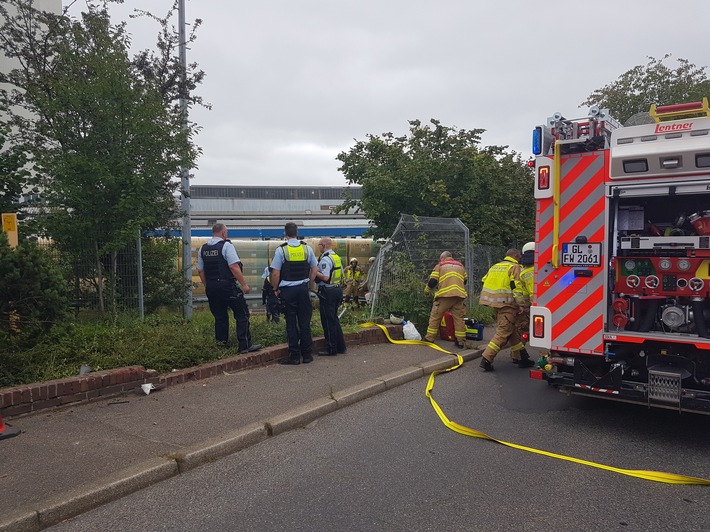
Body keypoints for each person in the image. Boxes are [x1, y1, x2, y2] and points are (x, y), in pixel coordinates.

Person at [197, 223, 261, 352]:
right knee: (242, 314)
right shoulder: (226, 246)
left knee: (220, 317)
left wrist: (207, 285)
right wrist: (244, 284)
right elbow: (234, 267)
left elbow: (200, 271)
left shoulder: (202, 249)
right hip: (227, 286)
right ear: (223, 233)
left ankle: (221, 346)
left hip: (211, 286)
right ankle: (244, 345)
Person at [270, 222, 319, 365]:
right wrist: (309, 285)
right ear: (297, 232)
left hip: (288, 291)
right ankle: (307, 355)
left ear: (285, 233)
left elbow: (275, 273)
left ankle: (294, 356)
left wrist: (275, 289)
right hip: (303, 290)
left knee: (291, 323)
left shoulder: (281, 250)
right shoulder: (306, 249)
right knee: (305, 322)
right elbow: (314, 269)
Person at [478, 248, 533, 371]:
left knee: (512, 330)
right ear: (516, 256)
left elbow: (483, 280)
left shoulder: (495, 266)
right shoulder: (515, 267)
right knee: (502, 333)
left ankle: (521, 357)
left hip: (494, 303)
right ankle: (486, 359)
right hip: (507, 304)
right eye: (519, 257)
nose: (520, 259)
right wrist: (522, 305)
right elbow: (517, 287)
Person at [423, 251, 468, 348]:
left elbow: (433, 281)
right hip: (459, 296)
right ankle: (460, 342)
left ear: (443, 258)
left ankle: (429, 338)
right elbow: (465, 280)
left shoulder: (440, 265)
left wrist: (427, 291)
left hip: (445, 296)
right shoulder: (460, 266)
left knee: (436, 315)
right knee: (459, 319)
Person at [315, 237, 346, 356]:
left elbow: (325, 277)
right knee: (334, 319)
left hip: (328, 292)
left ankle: (331, 348)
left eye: (319, 245)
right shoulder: (336, 257)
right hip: (337, 290)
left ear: (323, 245)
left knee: (327, 321)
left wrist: (314, 271)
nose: (318, 247)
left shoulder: (325, 259)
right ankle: (340, 346)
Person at [514, 242, 535, 345]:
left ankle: (519, 352)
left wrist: (521, 305)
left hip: (528, 304)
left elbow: (520, 290)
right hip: (544, 303)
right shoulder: (541, 269)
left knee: (523, 329)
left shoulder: (523, 273)